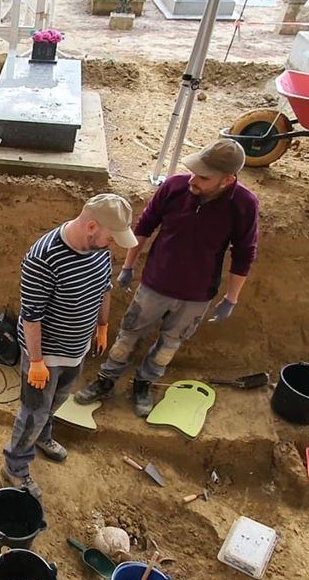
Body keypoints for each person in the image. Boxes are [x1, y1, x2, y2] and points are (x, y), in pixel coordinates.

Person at [74, 139, 259, 416]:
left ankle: (143, 384)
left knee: (168, 347)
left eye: (204, 177)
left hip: (196, 295)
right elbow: (144, 226)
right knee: (127, 338)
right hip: (154, 285)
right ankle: (106, 380)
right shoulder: (174, 187)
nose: (193, 180)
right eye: (195, 171)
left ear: (227, 180)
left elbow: (244, 253)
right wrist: (128, 266)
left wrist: (231, 298)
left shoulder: (244, 205)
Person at [2, 194, 138, 498]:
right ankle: (15, 466)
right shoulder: (43, 257)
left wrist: (102, 326)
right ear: (91, 226)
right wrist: (36, 361)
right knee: (33, 412)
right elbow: (32, 316)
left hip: (76, 349)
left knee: (56, 402)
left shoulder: (99, 248)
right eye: (111, 237)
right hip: (46, 355)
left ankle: (42, 437)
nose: (113, 244)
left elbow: (105, 286)